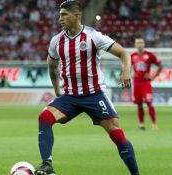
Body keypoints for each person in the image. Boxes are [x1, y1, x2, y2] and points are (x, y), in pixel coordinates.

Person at [35, 1, 140, 175]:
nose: (60, 18)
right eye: (60, 14)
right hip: (70, 97)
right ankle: (48, 166)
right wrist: (57, 92)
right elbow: (52, 67)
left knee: (116, 134)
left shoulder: (93, 36)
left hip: (94, 95)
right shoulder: (56, 41)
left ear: (77, 16)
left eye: (64, 14)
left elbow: (123, 53)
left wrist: (126, 72)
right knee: (44, 117)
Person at [131, 37, 162, 131]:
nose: (140, 44)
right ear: (135, 44)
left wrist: (154, 76)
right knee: (139, 104)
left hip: (146, 83)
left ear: (144, 44)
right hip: (136, 83)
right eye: (138, 42)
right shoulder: (132, 56)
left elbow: (160, 65)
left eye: (141, 42)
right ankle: (141, 125)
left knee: (149, 103)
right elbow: (127, 66)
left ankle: (154, 124)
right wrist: (131, 74)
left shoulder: (149, 55)